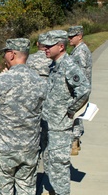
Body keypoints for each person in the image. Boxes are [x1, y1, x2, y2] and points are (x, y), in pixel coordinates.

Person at [0, 38, 47, 195]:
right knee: (27, 189)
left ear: (11, 54)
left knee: (3, 191)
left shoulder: (0, 80)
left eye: (5, 53)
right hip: (29, 146)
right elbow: (44, 110)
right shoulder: (40, 81)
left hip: (4, 148)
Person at [40, 30, 91, 195]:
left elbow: (84, 89)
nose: (45, 49)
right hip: (50, 125)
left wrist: (71, 110)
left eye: (49, 46)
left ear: (61, 47)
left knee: (59, 168)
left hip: (60, 127)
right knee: (50, 164)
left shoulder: (68, 65)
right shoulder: (55, 65)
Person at [68, 25, 93, 155]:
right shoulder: (78, 49)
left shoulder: (80, 52)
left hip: (79, 91)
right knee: (77, 116)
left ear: (80, 36)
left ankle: (74, 142)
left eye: (72, 36)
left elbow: (80, 73)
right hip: (81, 90)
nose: (69, 39)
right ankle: (75, 141)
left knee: (75, 116)